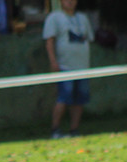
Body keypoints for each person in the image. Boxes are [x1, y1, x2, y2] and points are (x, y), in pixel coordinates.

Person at [43, 0, 94, 138]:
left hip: (83, 67)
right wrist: (53, 62)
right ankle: (55, 130)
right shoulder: (54, 17)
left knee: (80, 99)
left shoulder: (83, 18)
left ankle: (74, 130)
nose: (70, 2)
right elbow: (49, 41)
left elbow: (88, 39)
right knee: (63, 98)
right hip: (64, 67)